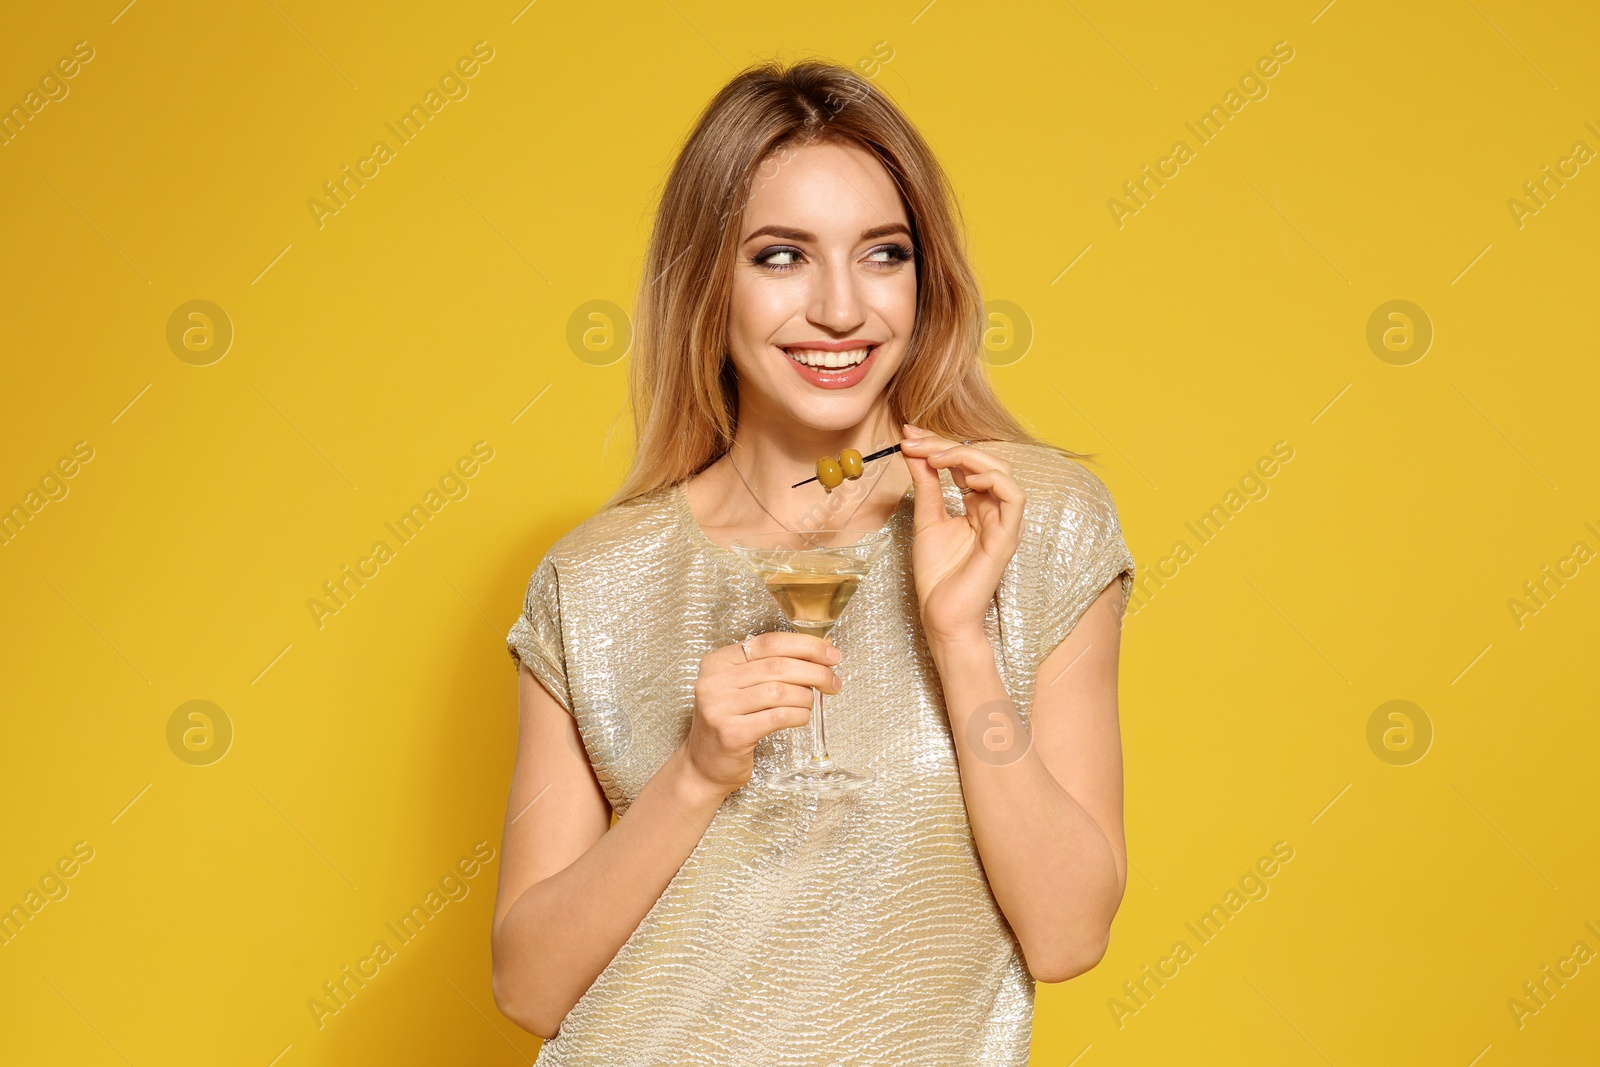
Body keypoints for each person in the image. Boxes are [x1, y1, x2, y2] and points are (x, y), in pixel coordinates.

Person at [492, 57, 1136, 1065]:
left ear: (925, 278)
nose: (842, 309)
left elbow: (1066, 932)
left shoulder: (1035, 521)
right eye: (781, 256)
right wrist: (697, 770)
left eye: (882, 254)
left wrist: (959, 638)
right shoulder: (595, 580)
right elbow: (528, 985)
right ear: (709, 281)